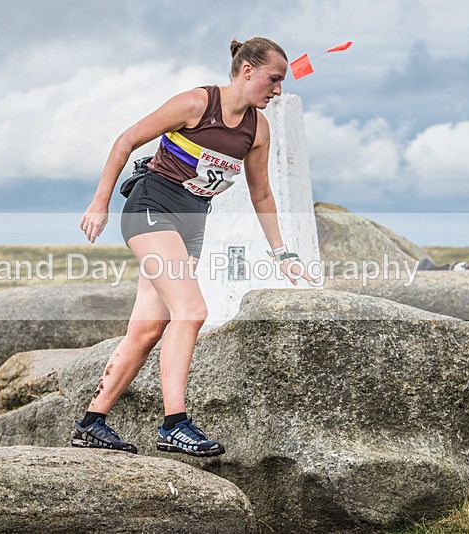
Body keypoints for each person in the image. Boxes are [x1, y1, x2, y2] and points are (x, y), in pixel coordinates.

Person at [72, 37, 317, 457]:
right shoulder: (195, 104)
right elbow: (126, 140)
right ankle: (175, 424)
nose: (277, 90)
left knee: (148, 329)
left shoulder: (258, 130)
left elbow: (262, 195)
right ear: (246, 71)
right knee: (192, 311)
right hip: (151, 209)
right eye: (274, 79)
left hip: (191, 225)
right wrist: (100, 202)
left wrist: (283, 254)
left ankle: (92, 422)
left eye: (281, 82)